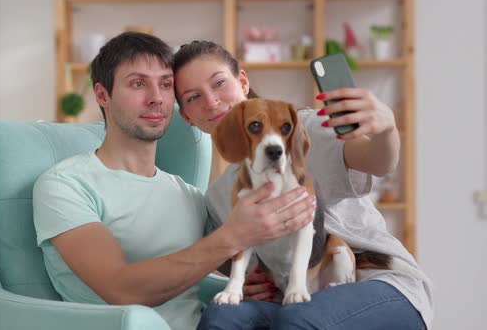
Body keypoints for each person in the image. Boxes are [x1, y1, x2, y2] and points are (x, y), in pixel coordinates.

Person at [32, 32, 316, 330]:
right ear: (102, 95)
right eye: (138, 83)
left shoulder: (190, 197)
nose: (156, 98)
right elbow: (120, 289)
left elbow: (224, 267)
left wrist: (245, 284)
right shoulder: (66, 185)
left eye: (166, 85)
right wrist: (233, 236)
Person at [172, 40, 433, 330]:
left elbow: (378, 161)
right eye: (194, 97)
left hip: (377, 281)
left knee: (297, 319)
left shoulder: (299, 131)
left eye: (219, 83)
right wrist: (252, 281)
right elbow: (258, 263)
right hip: (297, 298)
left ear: (242, 82)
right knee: (221, 318)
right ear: (186, 117)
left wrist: (386, 128)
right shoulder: (217, 197)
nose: (211, 101)